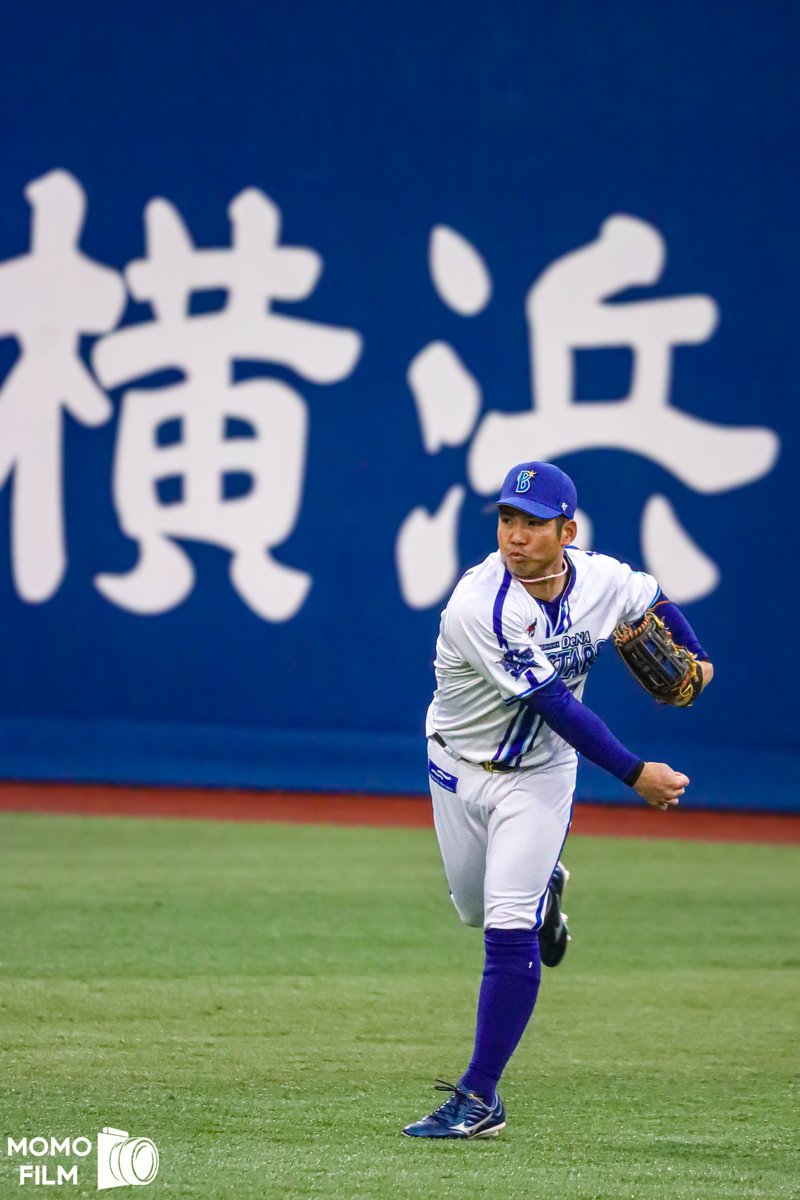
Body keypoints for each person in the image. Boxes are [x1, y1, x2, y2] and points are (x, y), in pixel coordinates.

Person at [402, 460, 713, 1140]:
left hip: (539, 777)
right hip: (458, 770)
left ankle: (479, 1096)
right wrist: (635, 774)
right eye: (507, 520)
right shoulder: (479, 605)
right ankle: (544, 893)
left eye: (533, 524)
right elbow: (554, 704)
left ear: (566, 530)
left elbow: (650, 599)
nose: (515, 536)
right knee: (474, 908)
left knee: (504, 932)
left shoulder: (600, 577)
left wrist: (697, 654)